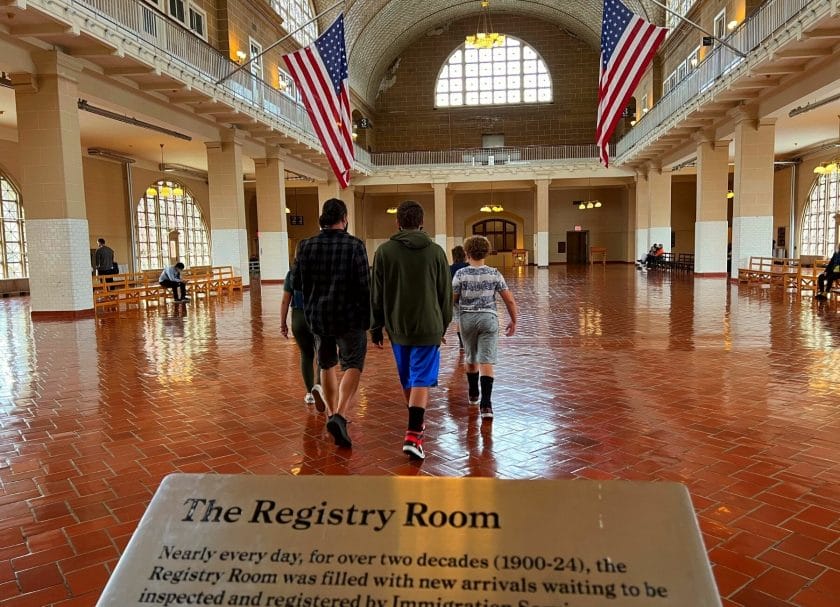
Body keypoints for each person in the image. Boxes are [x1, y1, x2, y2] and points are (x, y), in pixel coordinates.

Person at [371, 200, 452, 460]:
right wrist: (444, 324)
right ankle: (414, 430)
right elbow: (445, 294)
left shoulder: (384, 252)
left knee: (409, 378)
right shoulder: (437, 252)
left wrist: (376, 325)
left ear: (397, 222)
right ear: (421, 222)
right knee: (418, 379)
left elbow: (377, 292)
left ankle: (414, 428)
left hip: (397, 326)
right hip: (429, 325)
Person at [293, 198, 370, 449]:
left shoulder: (305, 246)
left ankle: (330, 414)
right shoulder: (355, 245)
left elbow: (299, 285)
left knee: (326, 364)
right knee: (353, 364)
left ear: (322, 219)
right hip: (349, 316)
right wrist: (368, 318)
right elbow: (363, 286)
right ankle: (340, 414)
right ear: (344, 219)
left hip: (318, 316)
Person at [452, 235, 518, 421]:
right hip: (489, 318)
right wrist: (514, 320)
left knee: (470, 357)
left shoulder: (460, 274)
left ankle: (473, 393)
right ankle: (486, 405)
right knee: (486, 360)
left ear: (467, 253)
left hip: (466, 319)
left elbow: (452, 299)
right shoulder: (494, 273)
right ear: (486, 252)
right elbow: (509, 300)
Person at [281, 240, 319, 407]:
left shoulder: (291, 275)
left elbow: (284, 301)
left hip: (298, 317)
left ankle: (310, 393)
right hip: (317, 316)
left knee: (306, 355)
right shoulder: (319, 273)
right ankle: (321, 388)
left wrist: (283, 323)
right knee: (323, 355)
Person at [450, 245, 469, 351]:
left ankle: (461, 342)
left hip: (455, 298)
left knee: (458, 318)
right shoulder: (468, 267)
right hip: (468, 297)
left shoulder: (450, 268)